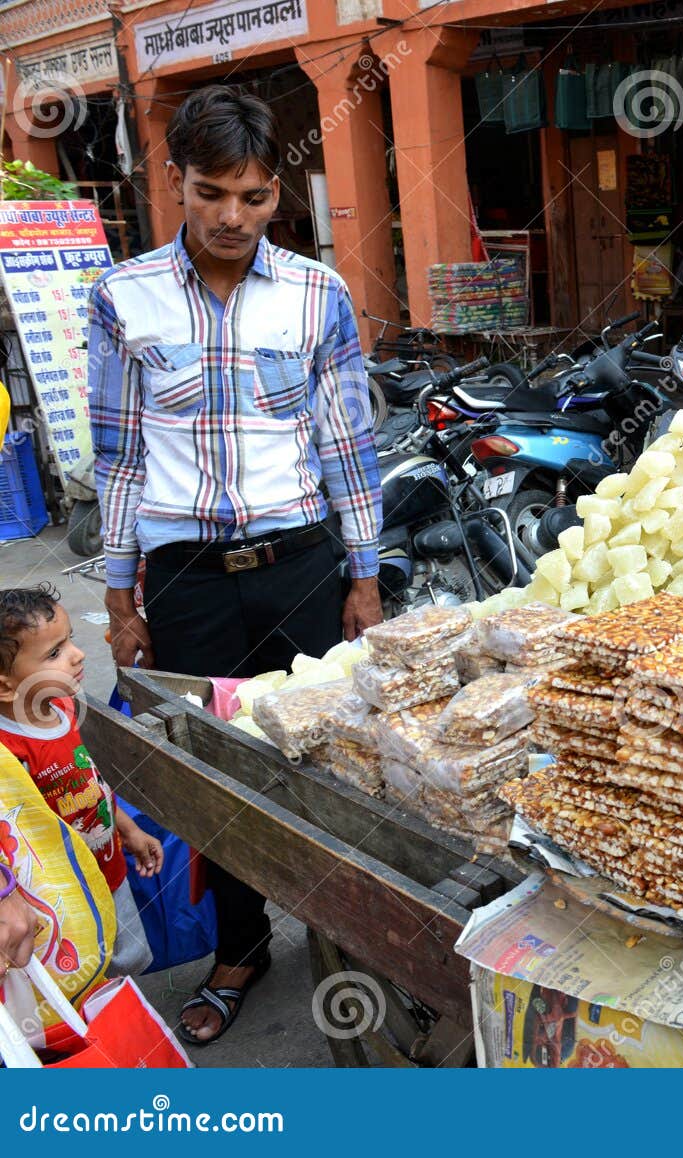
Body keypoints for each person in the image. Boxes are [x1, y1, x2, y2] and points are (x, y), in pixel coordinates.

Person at [87, 85, 382, 1044]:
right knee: (220, 776)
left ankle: (352, 938)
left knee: (321, 757)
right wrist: (121, 595)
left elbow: (347, 443)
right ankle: (244, 946)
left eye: (254, 198)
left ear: (276, 195)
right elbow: (119, 454)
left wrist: (364, 574)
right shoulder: (121, 296)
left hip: (301, 563)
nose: (231, 218)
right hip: (183, 577)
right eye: (212, 192)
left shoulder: (316, 293)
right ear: (176, 181)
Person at [0, 585, 158, 978]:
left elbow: (93, 780)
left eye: (68, 640)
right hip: (58, 897)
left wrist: (127, 828)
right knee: (83, 973)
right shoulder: (9, 751)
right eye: (54, 653)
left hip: (109, 869)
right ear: (5, 685)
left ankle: (123, 1013)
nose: (78, 654)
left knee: (128, 957)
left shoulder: (65, 707)